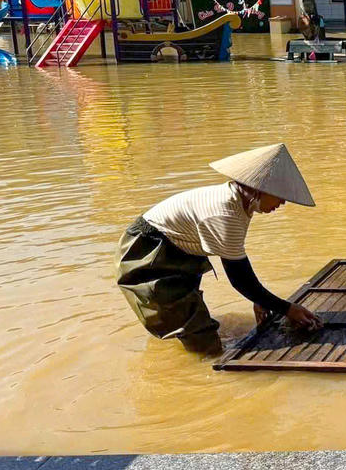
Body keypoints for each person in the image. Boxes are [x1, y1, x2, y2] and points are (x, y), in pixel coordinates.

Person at [115, 143, 323, 354]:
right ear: (261, 188)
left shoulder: (240, 202)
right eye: (280, 195)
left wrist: (259, 299)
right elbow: (240, 279)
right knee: (206, 346)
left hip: (177, 250)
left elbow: (240, 264)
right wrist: (288, 309)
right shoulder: (225, 213)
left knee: (189, 316)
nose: (283, 203)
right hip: (149, 254)